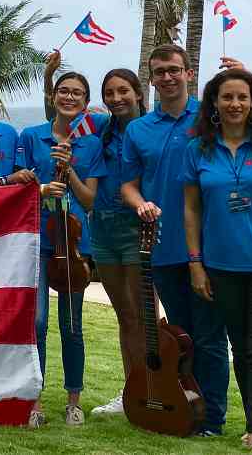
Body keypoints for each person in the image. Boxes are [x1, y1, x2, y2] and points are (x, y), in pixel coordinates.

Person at [182, 69, 252, 454]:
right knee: (240, 345)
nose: (235, 104)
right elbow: (191, 209)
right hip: (221, 264)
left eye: (242, 98)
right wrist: (196, 262)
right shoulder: (197, 150)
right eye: (227, 97)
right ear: (213, 103)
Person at [120, 44, 230, 436]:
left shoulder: (210, 117)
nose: (166, 77)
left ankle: (213, 420)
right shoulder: (138, 129)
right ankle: (188, 410)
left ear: (188, 73)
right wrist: (140, 204)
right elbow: (128, 185)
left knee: (211, 336)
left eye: (173, 70)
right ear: (151, 79)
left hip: (210, 248)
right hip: (162, 248)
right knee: (182, 338)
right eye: (159, 71)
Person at [16, 71, 106, 428]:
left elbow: (90, 199)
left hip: (72, 245)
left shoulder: (92, 142)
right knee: (36, 322)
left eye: (78, 94)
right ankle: (34, 399)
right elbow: (18, 187)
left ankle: (73, 400)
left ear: (85, 102)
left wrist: (68, 173)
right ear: (53, 96)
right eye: (63, 91)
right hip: (37, 239)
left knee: (71, 325)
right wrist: (41, 188)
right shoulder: (30, 136)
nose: (70, 98)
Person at [88, 69, 149, 417]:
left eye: (123, 91)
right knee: (125, 316)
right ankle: (131, 392)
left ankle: (155, 387)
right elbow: (61, 118)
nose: (116, 98)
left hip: (139, 227)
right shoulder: (101, 128)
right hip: (104, 230)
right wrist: (51, 79)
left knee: (145, 317)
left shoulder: (152, 128)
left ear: (138, 92)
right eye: (109, 93)